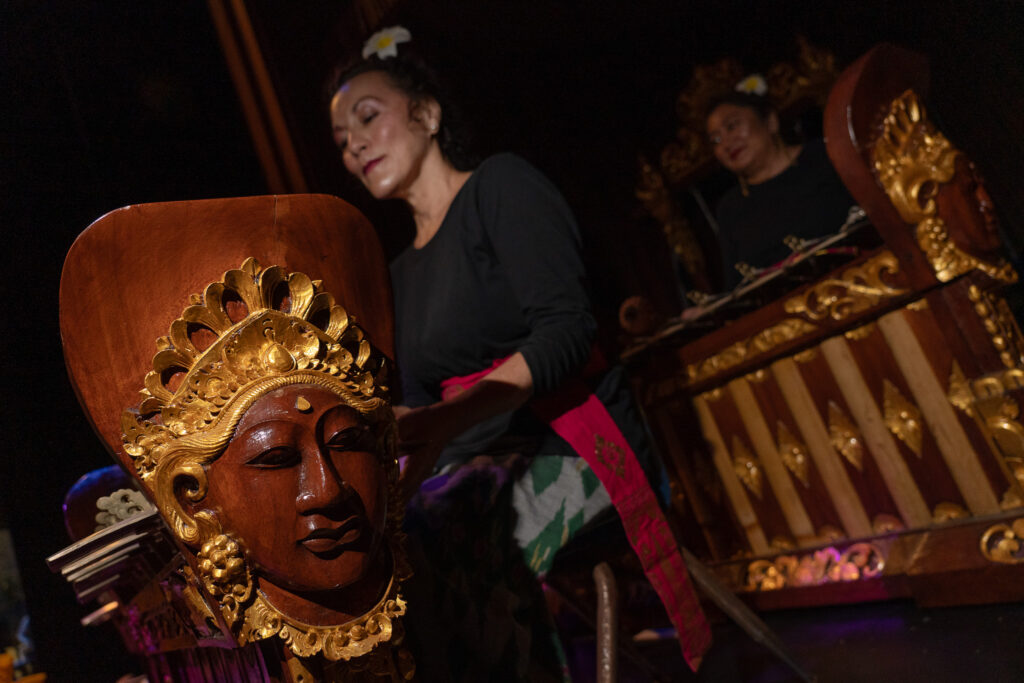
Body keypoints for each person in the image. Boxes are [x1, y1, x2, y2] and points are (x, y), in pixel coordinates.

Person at [329, 26, 709, 682]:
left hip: (572, 444)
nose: (354, 145)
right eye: (340, 140)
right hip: (473, 460)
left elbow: (567, 332)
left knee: (465, 533)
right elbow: (420, 404)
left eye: (367, 117)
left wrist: (449, 418)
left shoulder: (500, 186)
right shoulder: (397, 274)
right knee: (384, 549)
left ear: (428, 114)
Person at [706, 90, 856, 289]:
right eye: (716, 140)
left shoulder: (826, 155)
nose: (725, 143)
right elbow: (737, 287)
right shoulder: (730, 208)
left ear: (770, 122)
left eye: (732, 126)